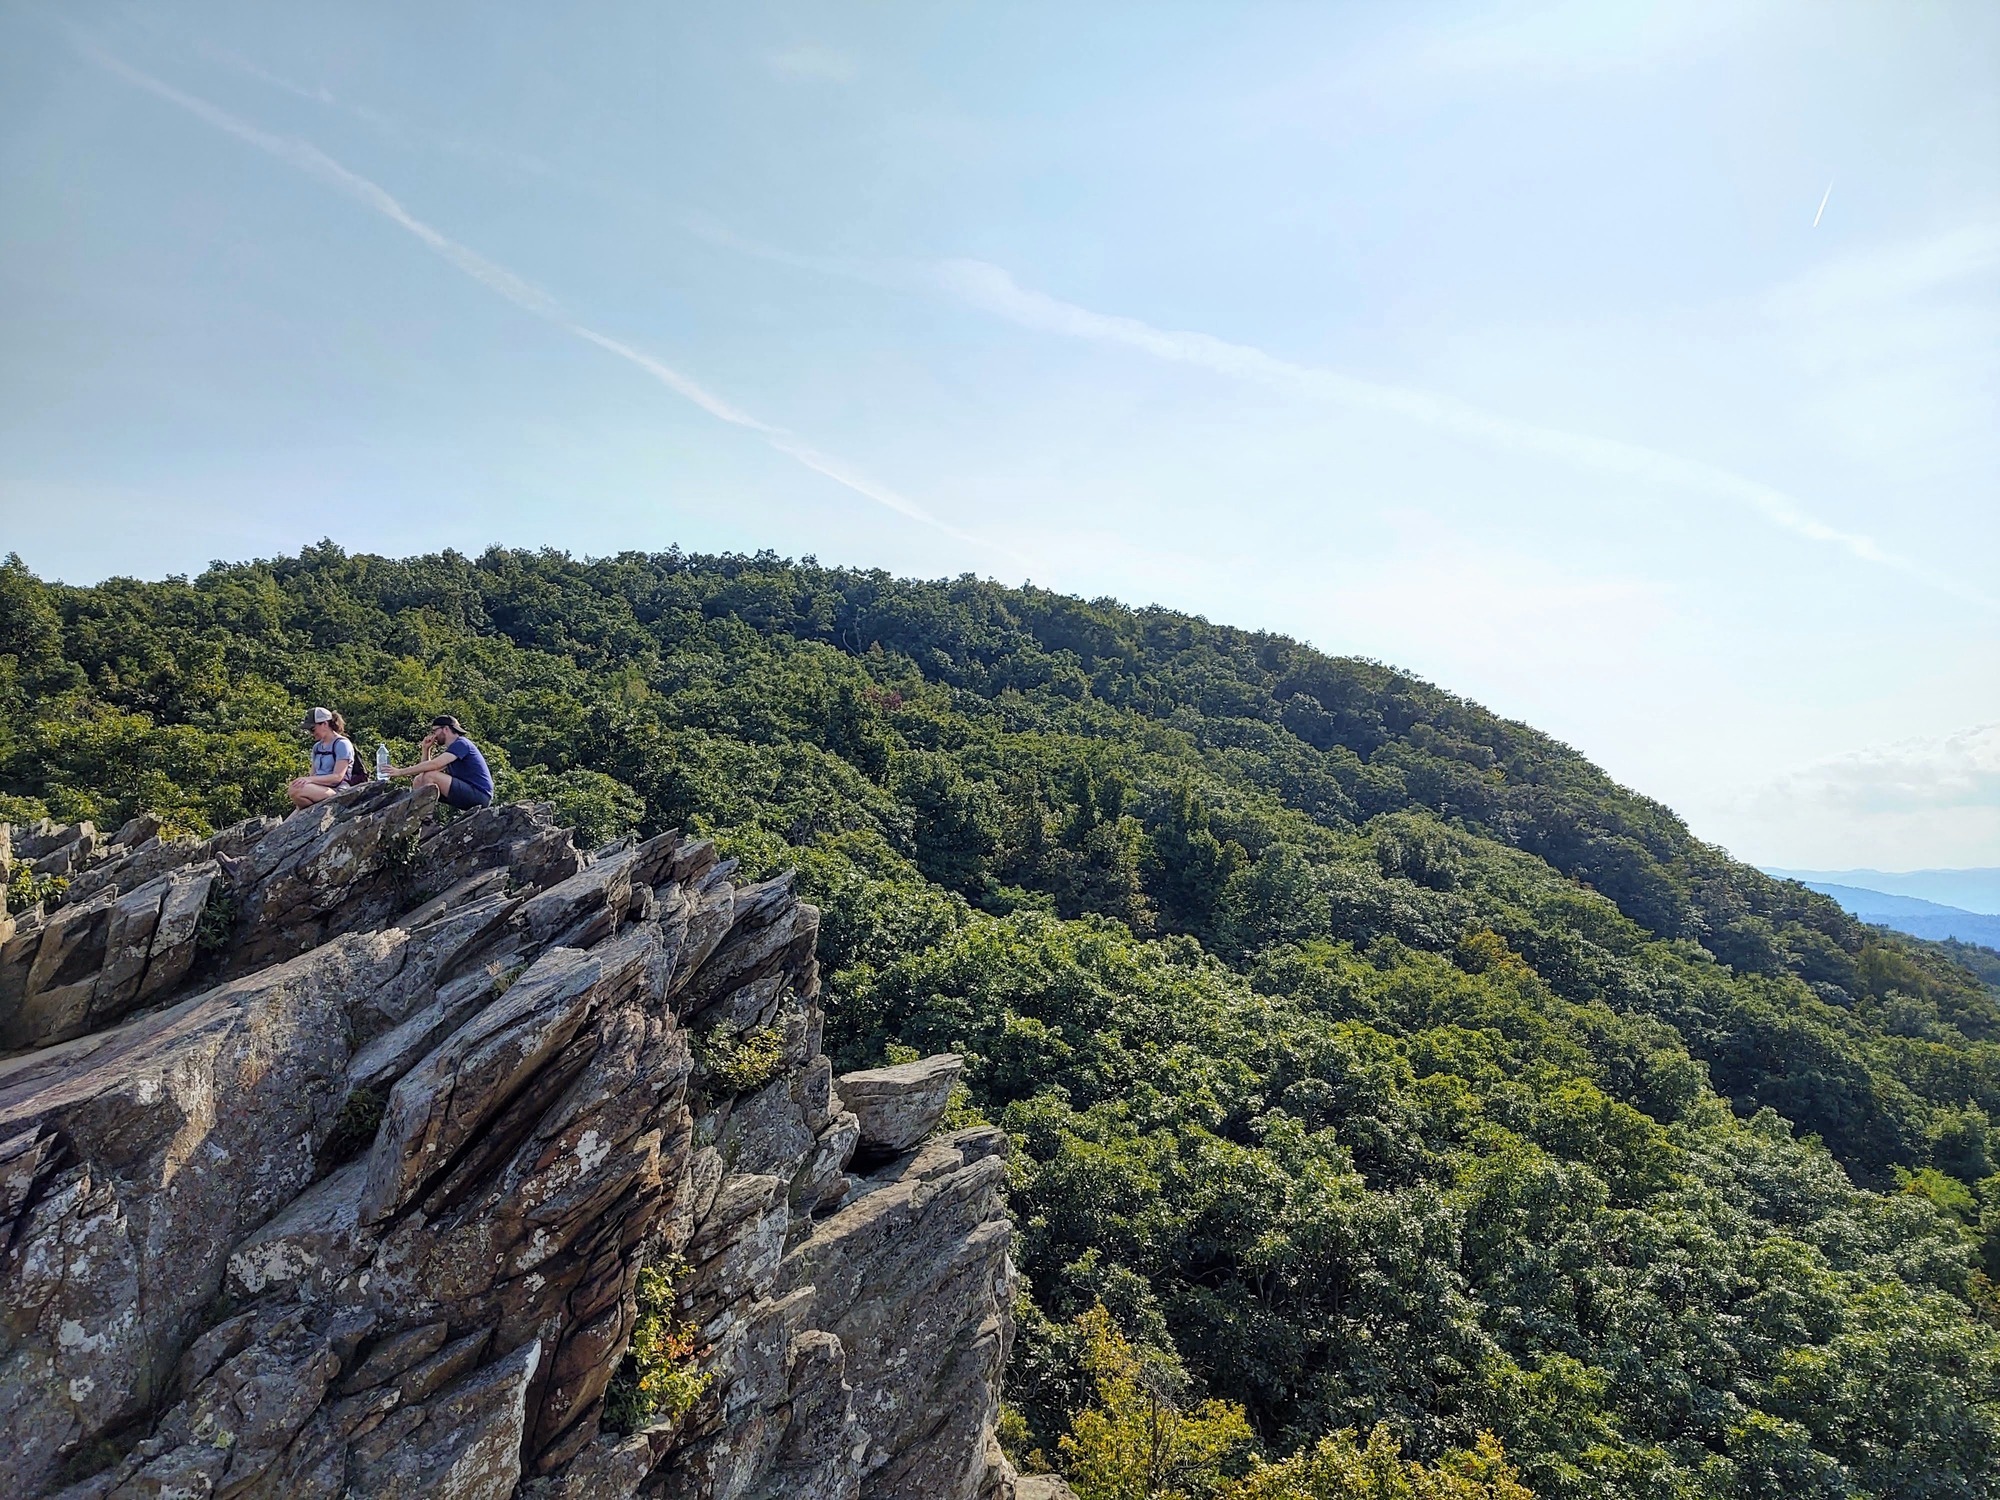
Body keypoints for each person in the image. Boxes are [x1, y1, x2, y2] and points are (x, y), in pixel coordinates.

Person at [386, 714, 494, 812]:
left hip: (479, 795)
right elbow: (426, 772)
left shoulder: (461, 744)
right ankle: (421, 820)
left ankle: (427, 819)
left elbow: (434, 765)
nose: (434, 735)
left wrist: (400, 772)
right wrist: (426, 749)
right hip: (467, 792)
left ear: (445, 729)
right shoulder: (453, 748)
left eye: (435, 731)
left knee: (430, 776)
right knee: (419, 780)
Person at [289, 707, 356, 810]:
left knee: (296, 790)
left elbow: (337, 777)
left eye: (312, 729)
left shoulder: (342, 744)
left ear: (325, 724)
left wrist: (308, 780)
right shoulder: (317, 747)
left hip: (338, 791)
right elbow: (313, 774)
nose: (311, 733)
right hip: (320, 789)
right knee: (295, 789)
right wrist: (308, 780)